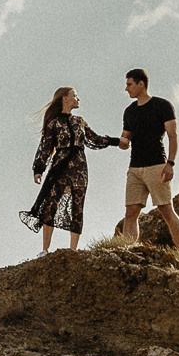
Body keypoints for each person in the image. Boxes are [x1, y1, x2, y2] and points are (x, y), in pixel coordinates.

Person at [20, 86, 116, 255]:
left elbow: (95, 139)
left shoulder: (80, 121)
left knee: (77, 207)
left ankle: (73, 250)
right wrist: (38, 169)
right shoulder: (53, 122)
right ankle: (45, 250)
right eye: (75, 95)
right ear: (65, 98)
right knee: (51, 204)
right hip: (59, 167)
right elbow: (46, 147)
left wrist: (116, 141)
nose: (78, 98)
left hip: (79, 168)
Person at [117, 68, 179, 248]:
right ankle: (128, 253)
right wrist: (120, 142)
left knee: (166, 210)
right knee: (131, 211)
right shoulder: (129, 111)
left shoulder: (162, 105)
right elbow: (126, 138)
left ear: (141, 84)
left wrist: (170, 163)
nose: (126, 89)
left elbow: (173, 135)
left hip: (157, 165)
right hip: (135, 168)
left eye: (129, 84)